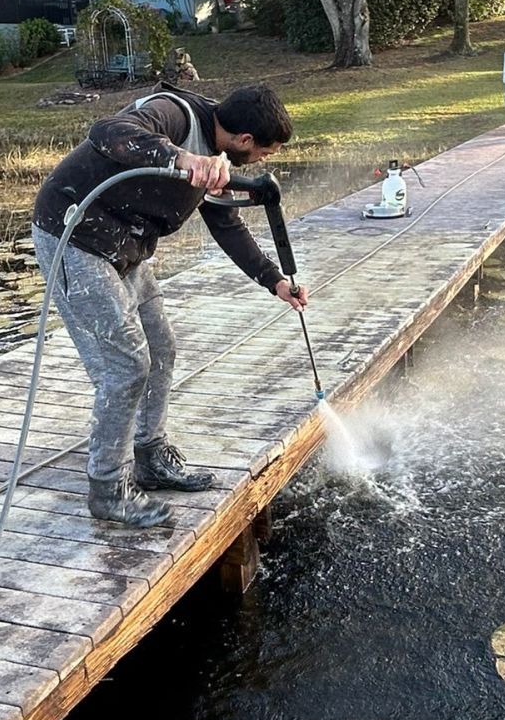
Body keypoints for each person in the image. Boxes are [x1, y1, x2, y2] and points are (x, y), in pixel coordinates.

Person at [31, 83, 308, 527]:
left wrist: (273, 280)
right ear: (245, 141)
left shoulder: (218, 162)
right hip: (75, 237)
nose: (262, 161)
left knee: (162, 348)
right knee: (126, 366)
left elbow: (227, 225)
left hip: (124, 246)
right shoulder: (174, 114)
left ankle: (151, 455)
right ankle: (108, 488)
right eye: (265, 153)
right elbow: (108, 129)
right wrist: (183, 159)